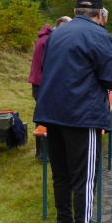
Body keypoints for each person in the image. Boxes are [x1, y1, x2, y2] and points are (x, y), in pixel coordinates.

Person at [33, 0, 112, 223]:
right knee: (84, 178)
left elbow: (47, 68)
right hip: (82, 114)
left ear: (75, 11)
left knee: (61, 174)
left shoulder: (57, 33)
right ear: (100, 14)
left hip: (52, 112)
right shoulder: (98, 34)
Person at [28, 16, 71, 161]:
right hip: (42, 84)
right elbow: (50, 65)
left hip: (42, 83)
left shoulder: (48, 38)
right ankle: (42, 153)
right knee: (43, 117)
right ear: (61, 25)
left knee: (45, 116)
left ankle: (46, 151)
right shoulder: (48, 40)